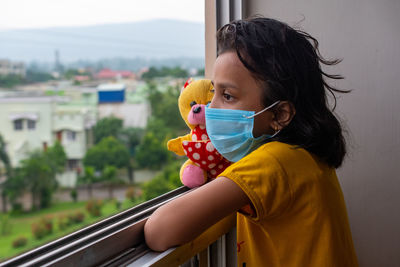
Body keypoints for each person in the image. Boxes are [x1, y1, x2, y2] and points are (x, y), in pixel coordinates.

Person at [144, 17, 358, 266]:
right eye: (214, 92)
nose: (210, 108)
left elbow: (158, 231)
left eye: (227, 96)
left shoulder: (274, 162)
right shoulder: (305, 156)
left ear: (279, 114)